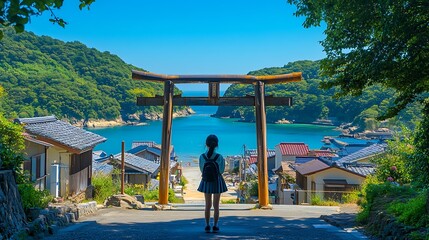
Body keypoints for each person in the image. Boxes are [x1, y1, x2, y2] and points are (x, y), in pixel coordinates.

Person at [197, 134, 228, 233]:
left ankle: (207, 225)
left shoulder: (202, 156)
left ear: (206, 144)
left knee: (207, 205)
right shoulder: (219, 157)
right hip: (217, 181)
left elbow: (202, 169)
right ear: (216, 145)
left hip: (206, 181)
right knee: (216, 205)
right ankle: (215, 225)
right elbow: (221, 170)